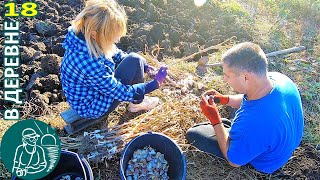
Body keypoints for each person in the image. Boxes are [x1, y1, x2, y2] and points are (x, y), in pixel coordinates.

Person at [186, 42, 304, 174]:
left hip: (266, 161)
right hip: (283, 142)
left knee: (195, 133)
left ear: (246, 77)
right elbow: (251, 99)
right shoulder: (278, 79)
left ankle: (228, 131)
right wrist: (226, 99)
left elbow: (234, 161)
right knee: (235, 127)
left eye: (227, 76)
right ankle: (230, 130)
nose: (224, 79)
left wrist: (215, 119)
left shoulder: (255, 122)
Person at [60, 0, 168, 119]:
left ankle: (137, 100)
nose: (115, 41)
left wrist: (145, 67)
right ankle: (137, 104)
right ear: (95, 34)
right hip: (92, 107)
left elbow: (116, 54)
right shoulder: (88, 61)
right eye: (111, 38)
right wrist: (153, 85)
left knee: (135, 59)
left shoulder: (86, 39)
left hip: (94, 91)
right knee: (134, 60)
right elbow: (119, 91)